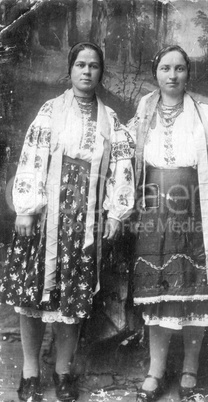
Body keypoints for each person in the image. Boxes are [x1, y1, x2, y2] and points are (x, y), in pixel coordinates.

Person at [0, 42, 134, 402]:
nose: (87, 71)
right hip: (45, 217)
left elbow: (122, 167)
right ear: (70, 70)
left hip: (85, 220)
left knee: (71, 302)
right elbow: (30, 157)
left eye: (93, 66)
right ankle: (30, 372)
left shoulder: (110, 121)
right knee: (31, 294)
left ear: (101, 73)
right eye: (80, 64)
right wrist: (26, 208)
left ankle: (63, 372)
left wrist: (115, 212)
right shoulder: (50, 111)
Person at [127, 45, 208, 402]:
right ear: (156, 72)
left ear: (188, 73)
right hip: (153, 212)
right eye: (166, 68)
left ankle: (190, 368)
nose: (173, 75)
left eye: (180, 68)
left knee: (194, 291)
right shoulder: (143, 111)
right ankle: (155, 370)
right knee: (158, 293)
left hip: (194, 212)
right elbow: (124, 156)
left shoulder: (204, 114)